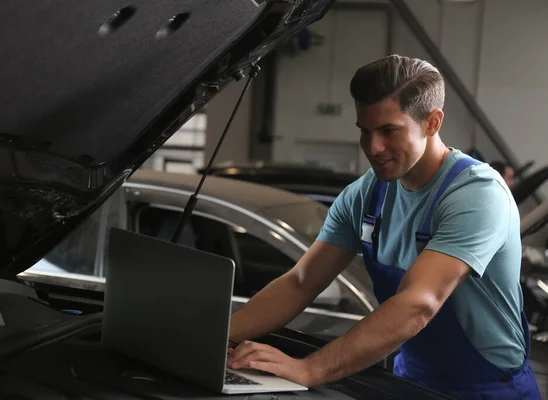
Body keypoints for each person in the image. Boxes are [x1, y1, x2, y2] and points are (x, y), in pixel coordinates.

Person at [226, 54, 541, 399]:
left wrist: (310, 369)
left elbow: (418, 303)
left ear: (432, 123)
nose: (373, 148)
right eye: (365, 131)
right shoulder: (365, 195)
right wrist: (218, 338)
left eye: (389, 131)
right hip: (407, 381)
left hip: (487, 391)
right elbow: (301, 282)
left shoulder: (477, 194)